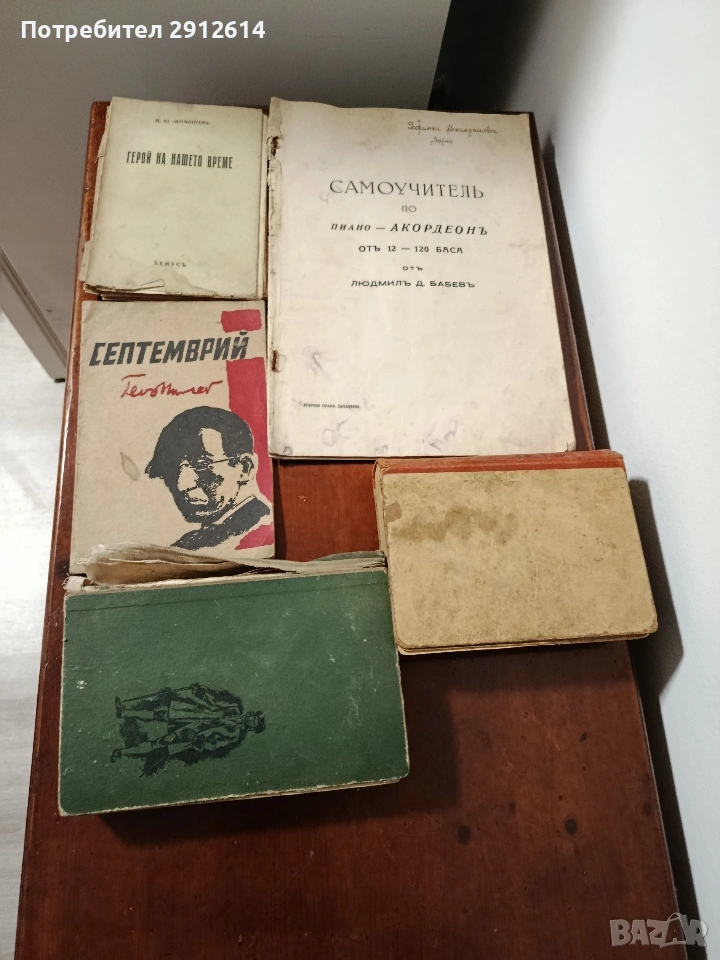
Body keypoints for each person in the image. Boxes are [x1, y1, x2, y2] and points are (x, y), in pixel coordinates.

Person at [145, 405, 271, 550]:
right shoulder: (189, 543)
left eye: (202, 464)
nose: (182, 485)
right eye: (170, 468)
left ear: (245, 468)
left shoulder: (262, 527)